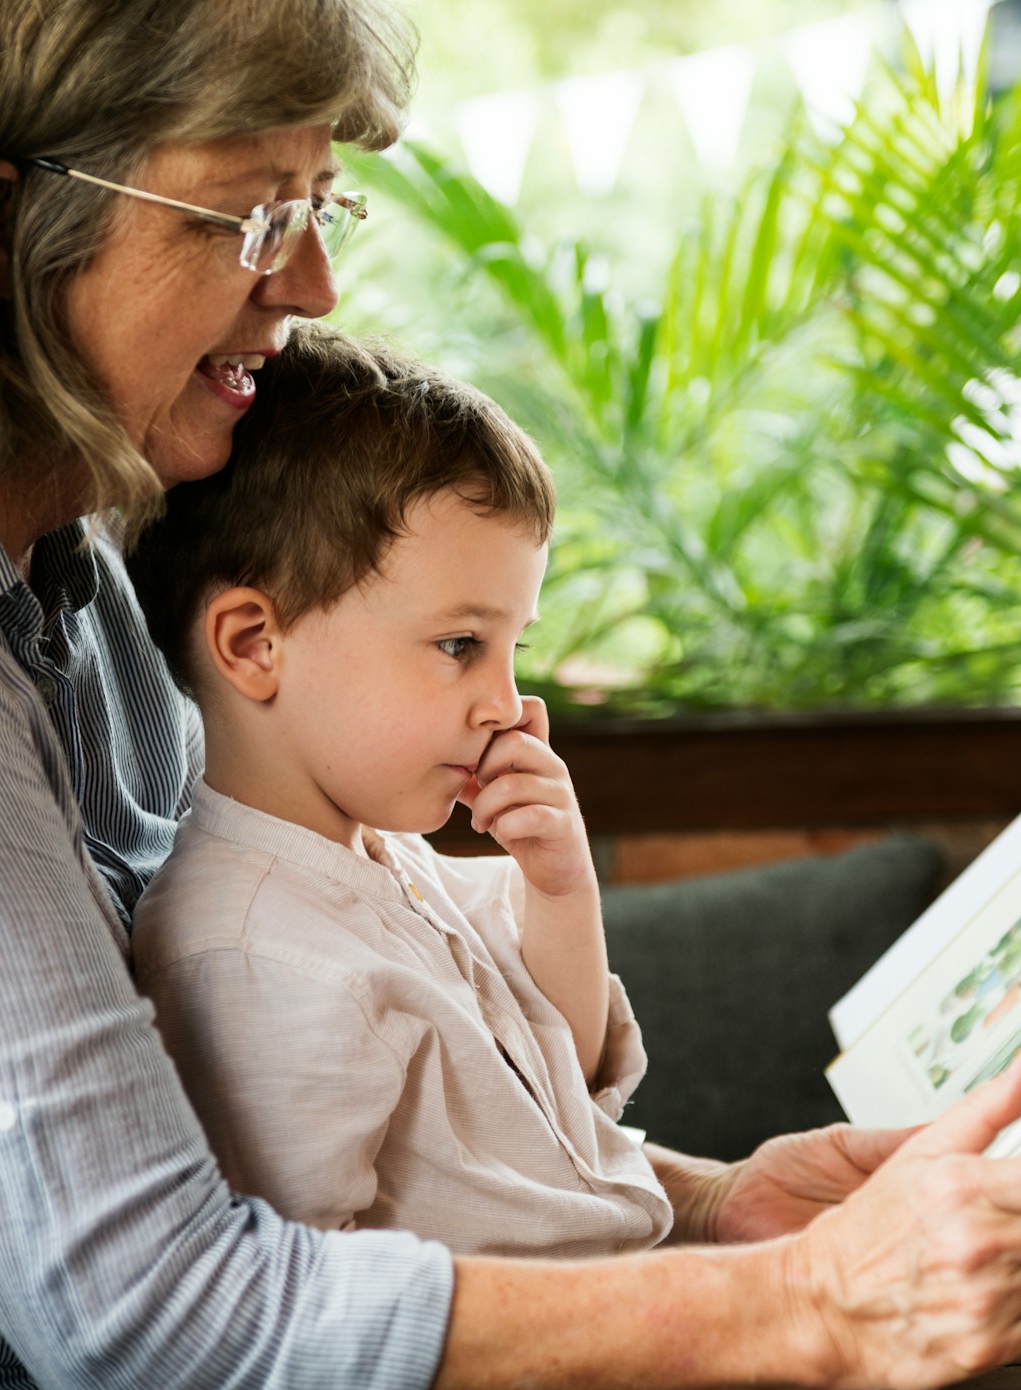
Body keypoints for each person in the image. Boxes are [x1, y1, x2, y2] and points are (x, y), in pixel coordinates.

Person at [0, 2, 1021, 1390]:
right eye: (247, 213)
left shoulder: (58, 553)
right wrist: (804, 1301)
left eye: (316, 204)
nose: (312, 281)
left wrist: (708, 1203)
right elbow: (165, 1324)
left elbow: (242, 1161)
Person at [125, 330, 669, 1256]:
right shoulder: (253, 956)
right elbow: (302, 1312)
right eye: (460, 645)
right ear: (255, 645)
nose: (506, 704)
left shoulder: (386, 859)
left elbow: (565, 1079)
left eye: (513, 648)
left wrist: (560, 890)